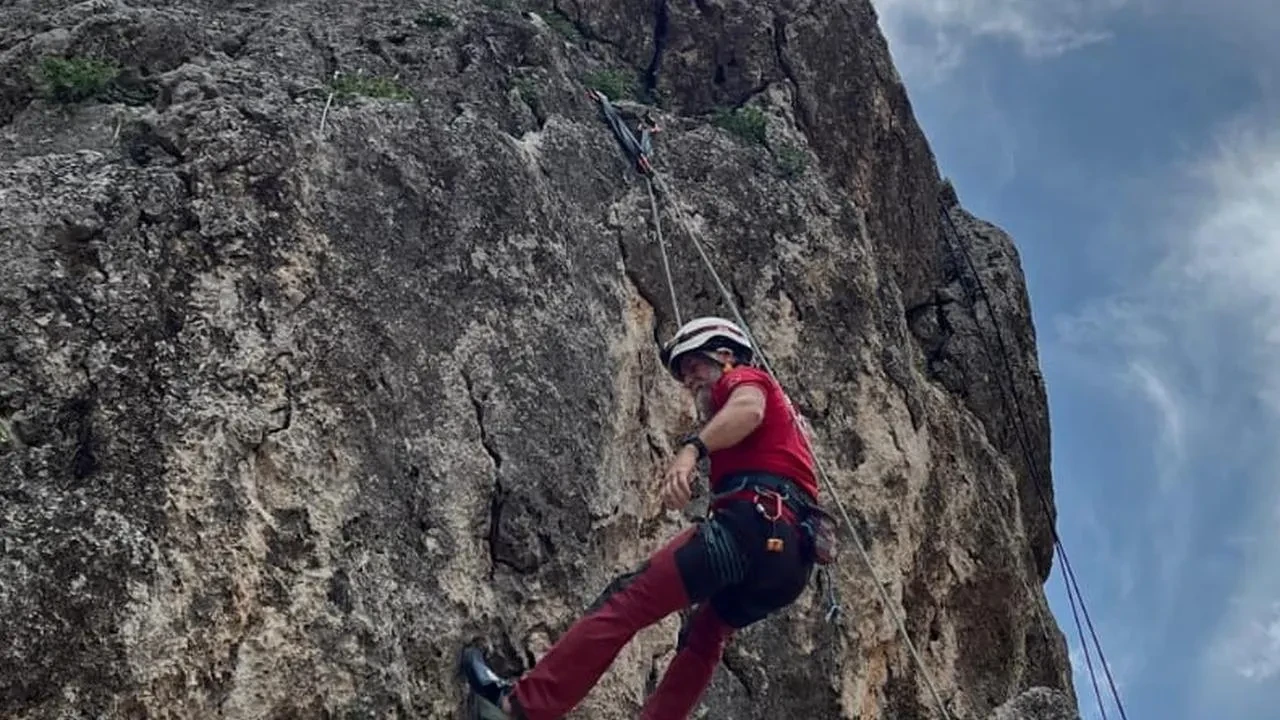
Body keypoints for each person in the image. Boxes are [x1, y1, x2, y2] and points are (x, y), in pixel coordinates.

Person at [461, 316, 822, 720]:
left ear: (725, 356)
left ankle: (521, 706)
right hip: (792, 563)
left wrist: (691, 450)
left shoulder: (744, 379)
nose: (689, 380)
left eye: (694, 366)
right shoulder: (787, 421)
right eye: (683, 374)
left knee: (629, 598)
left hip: (752, 525)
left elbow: (749, 409)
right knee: (704, 638)